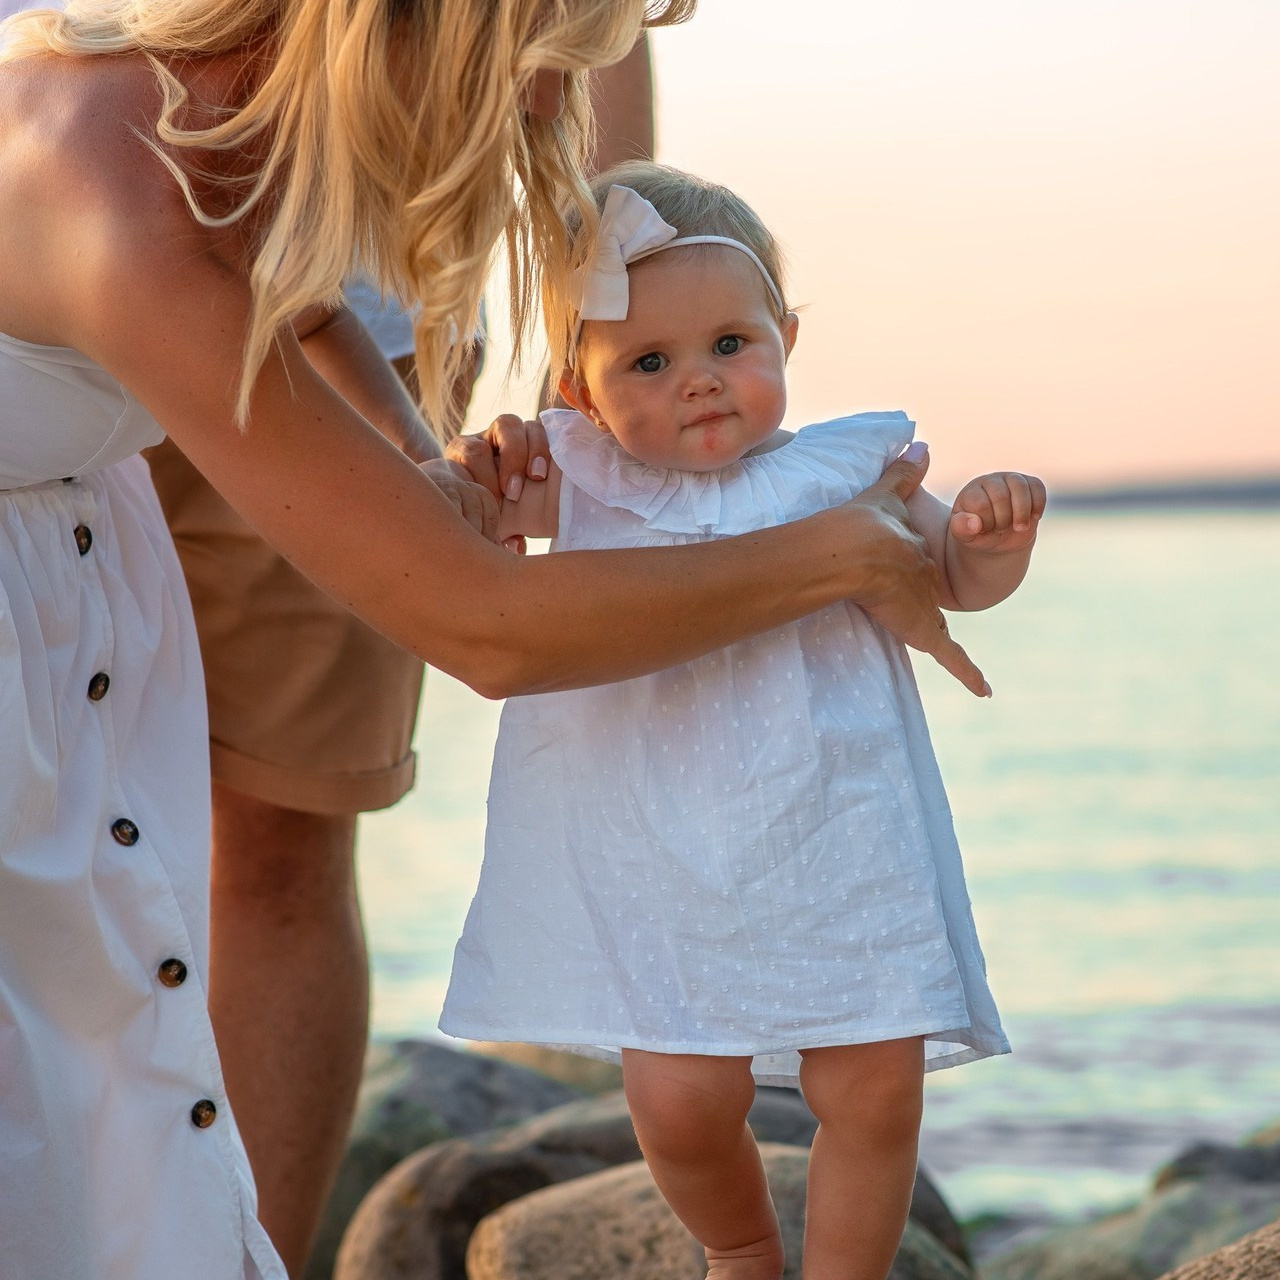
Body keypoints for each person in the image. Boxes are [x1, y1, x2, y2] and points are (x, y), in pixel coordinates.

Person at [0, 0, 993, 1272]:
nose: (545, 113)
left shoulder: (217, 116)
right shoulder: (118, 181)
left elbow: (297, 298)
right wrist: (837, 553)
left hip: (69, 565)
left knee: (99, 1057)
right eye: (539, 67)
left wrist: (417, 462)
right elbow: (486, 630)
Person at [440, 163, 1046, 1280]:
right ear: (580, 389)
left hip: (836, 831)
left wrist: (989, 540)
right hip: (651, 850)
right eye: (648, 362)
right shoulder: (581, 480)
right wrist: (477, 469)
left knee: (873, 1084)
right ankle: (740, 1249)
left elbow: (951, 580)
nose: (700, 381)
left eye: (730, 343)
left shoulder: (844, 468)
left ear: (786, 338)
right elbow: (457, 534)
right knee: (679, 1100)